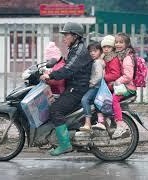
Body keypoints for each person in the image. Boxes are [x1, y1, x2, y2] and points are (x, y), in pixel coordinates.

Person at [40, 22, 93, 156]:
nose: (64, 38)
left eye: (66, 35)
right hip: (73, 86)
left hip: (77, 89)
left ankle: (65, 145)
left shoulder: (80, 51)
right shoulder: (75, 49)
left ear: (75, 36)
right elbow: (66, 64)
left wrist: (50, 76)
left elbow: (68, 69)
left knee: (55, 110)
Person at [111, 32, 137, 139]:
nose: (118, 44)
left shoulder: (127, 58)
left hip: (129, 88)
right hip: (125, 86)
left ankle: (120, 125)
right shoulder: (121, 55)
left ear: (127, 44)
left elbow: (128, 76)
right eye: (116, 42)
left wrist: (117, 81)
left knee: (114, 99)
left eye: (121, 42)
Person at [79, 42, 106, 131]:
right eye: (90, 51)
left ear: (101, 51)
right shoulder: (99, 61)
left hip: (95, 87)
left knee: (84, 100)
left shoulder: (97, 62)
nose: (92, 53)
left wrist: (91, 83)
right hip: (98, 87)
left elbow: (99, 76)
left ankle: (87, 123)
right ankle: (101, 122)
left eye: (95, 51)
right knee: (96, 103)